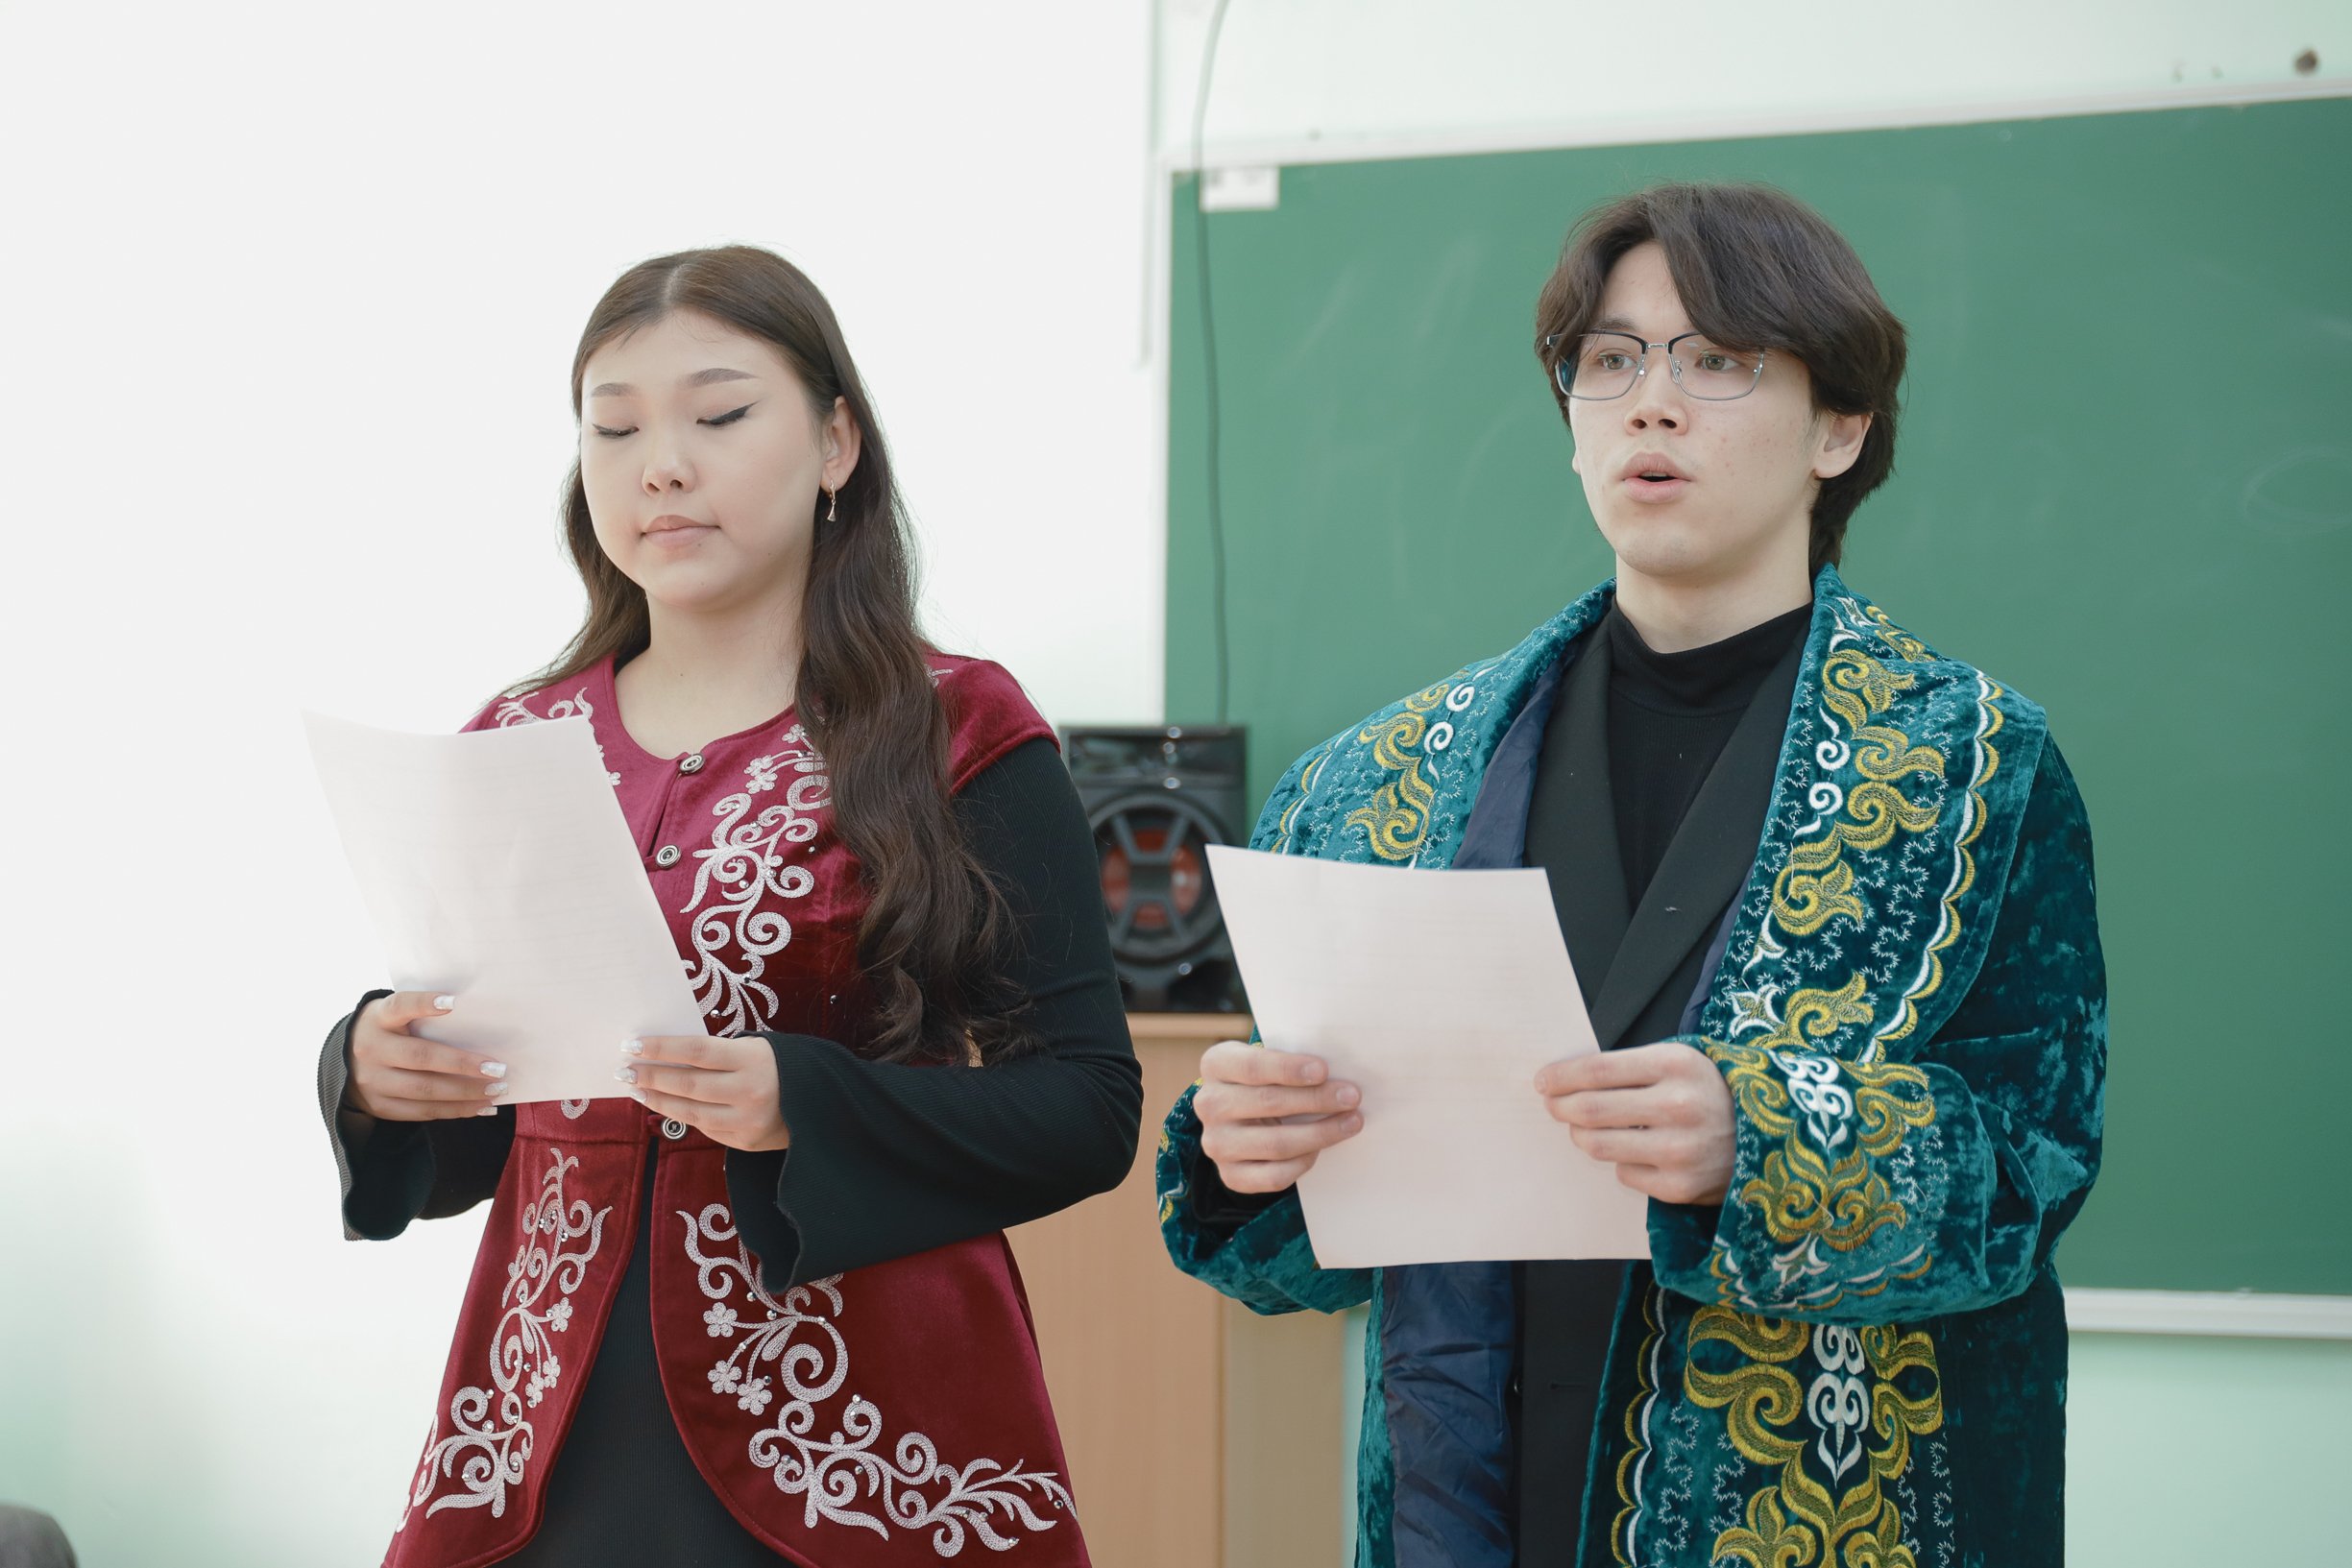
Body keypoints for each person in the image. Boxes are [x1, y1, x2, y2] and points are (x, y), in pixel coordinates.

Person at [1157, 183, 2105, 1566]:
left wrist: (1761, 1142)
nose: (1651, 404)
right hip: (1469, 1499)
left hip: (1821, 1512)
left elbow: (2031, 1164)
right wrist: (1249, 1157)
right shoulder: (1377, 782)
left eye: (1717, 360)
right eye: (1610, 360)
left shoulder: (1970, 768)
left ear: (1838, 428)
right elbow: (1298, 1248)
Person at [316, 247, 1140, 1567]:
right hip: (545, 1425)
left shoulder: (957, 726)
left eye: (718, 414)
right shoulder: (514, 739)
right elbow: (481, 1122)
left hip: (866, 1439)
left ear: (835, 444)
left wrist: (801, 1098)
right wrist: (374, 1068)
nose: (662, 466)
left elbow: (1087, 1109)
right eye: (615, 427)